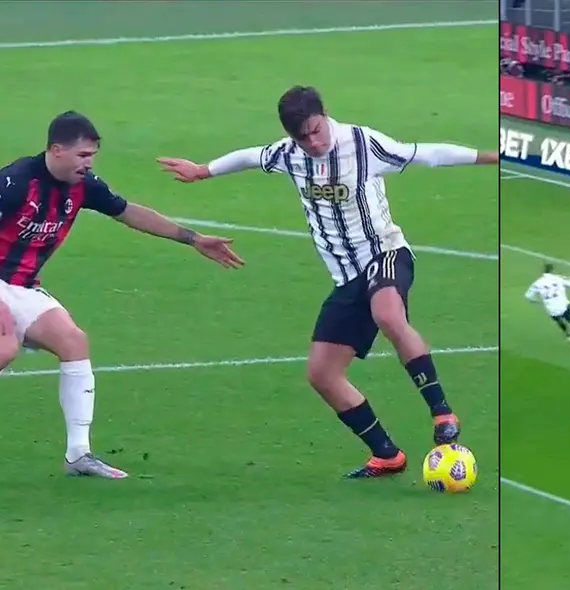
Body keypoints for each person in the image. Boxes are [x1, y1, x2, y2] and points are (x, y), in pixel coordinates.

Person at [156, 86, 499, 479]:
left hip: (385, 253)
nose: (313, 142)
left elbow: (428, 154)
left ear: (325, 116)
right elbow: (252, 156)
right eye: (302, 137)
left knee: (388, 313)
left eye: (316, 131)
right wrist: (204, 170)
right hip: (347, 276)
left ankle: (442, 413)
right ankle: (387, 455)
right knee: (322, 375)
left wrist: (492, 157)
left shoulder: (363, 143)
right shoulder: (289, 155)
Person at [0, 111, 244, 479]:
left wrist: (193, 239)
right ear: (56, 150)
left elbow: (129, 212)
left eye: (92, 155)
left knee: (73, 342)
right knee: (5, 346)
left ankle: (78, 455)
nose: (89, 163)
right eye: (83, 155)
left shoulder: (84, 186)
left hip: (23, 286)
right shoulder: (16, 181)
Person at [524, 263, 570, 355]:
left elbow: (528, 296)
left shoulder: (537, 283)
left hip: (550, 307)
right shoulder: (558, 278)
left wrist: (538, 302)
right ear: (552, 271)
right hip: (563, 305)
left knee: (558, 319)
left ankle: (568, 335)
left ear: (544, 272)